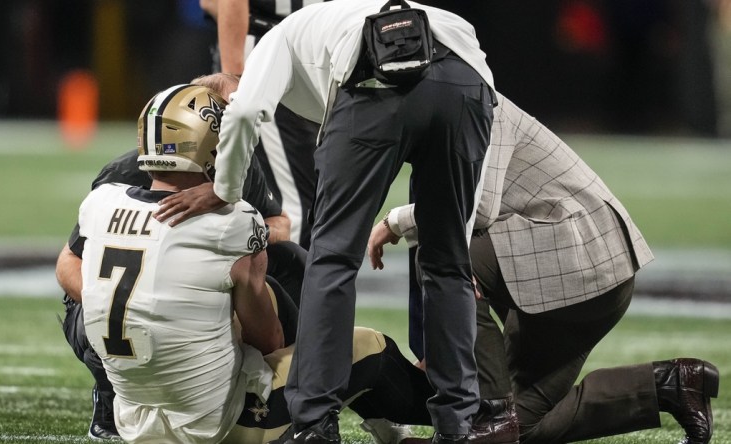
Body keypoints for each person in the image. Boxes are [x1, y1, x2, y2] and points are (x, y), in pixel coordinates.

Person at [157, 1, 497, 442]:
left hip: (371, 80)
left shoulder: (281, 37)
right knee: (448, 264)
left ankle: (315, 423)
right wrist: (459, 241)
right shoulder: (353, 17)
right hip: (469, 80)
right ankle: (458, 423)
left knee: (332, 260)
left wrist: (225, 187)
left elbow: (243, 111)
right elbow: (481, 92)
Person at [75, 82, 453, 444]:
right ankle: (461, 412)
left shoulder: (100, 203)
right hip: (219, 426)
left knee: (262, 297)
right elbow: (268, 339)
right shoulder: (233, 223)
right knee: (365, 345)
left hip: (138, 425)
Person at [367, 92, 720, 444]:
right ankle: (671, 383)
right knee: (525, 427)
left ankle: (491, 415)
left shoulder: (472, 101)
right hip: (582, 274)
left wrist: (396, 220)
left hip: (576, 260)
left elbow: (477, 204)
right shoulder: (451, 104)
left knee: (446, 256)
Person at [56, 73, 306, 440]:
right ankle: (109, 397)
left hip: (199, 291)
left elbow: (279, 223)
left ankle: (270, 390)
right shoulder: (127, 174)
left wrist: (241, 243)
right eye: (229, 110)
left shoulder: (237, 165)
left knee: (292, 262)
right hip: (122, 309)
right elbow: (69, 264)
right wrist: (133, 302)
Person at [199, 0, 323, 249]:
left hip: (305, 52)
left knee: (307, 198)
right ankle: (296, 286)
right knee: (294, 205)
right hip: (277, 53)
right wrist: (235, 79)